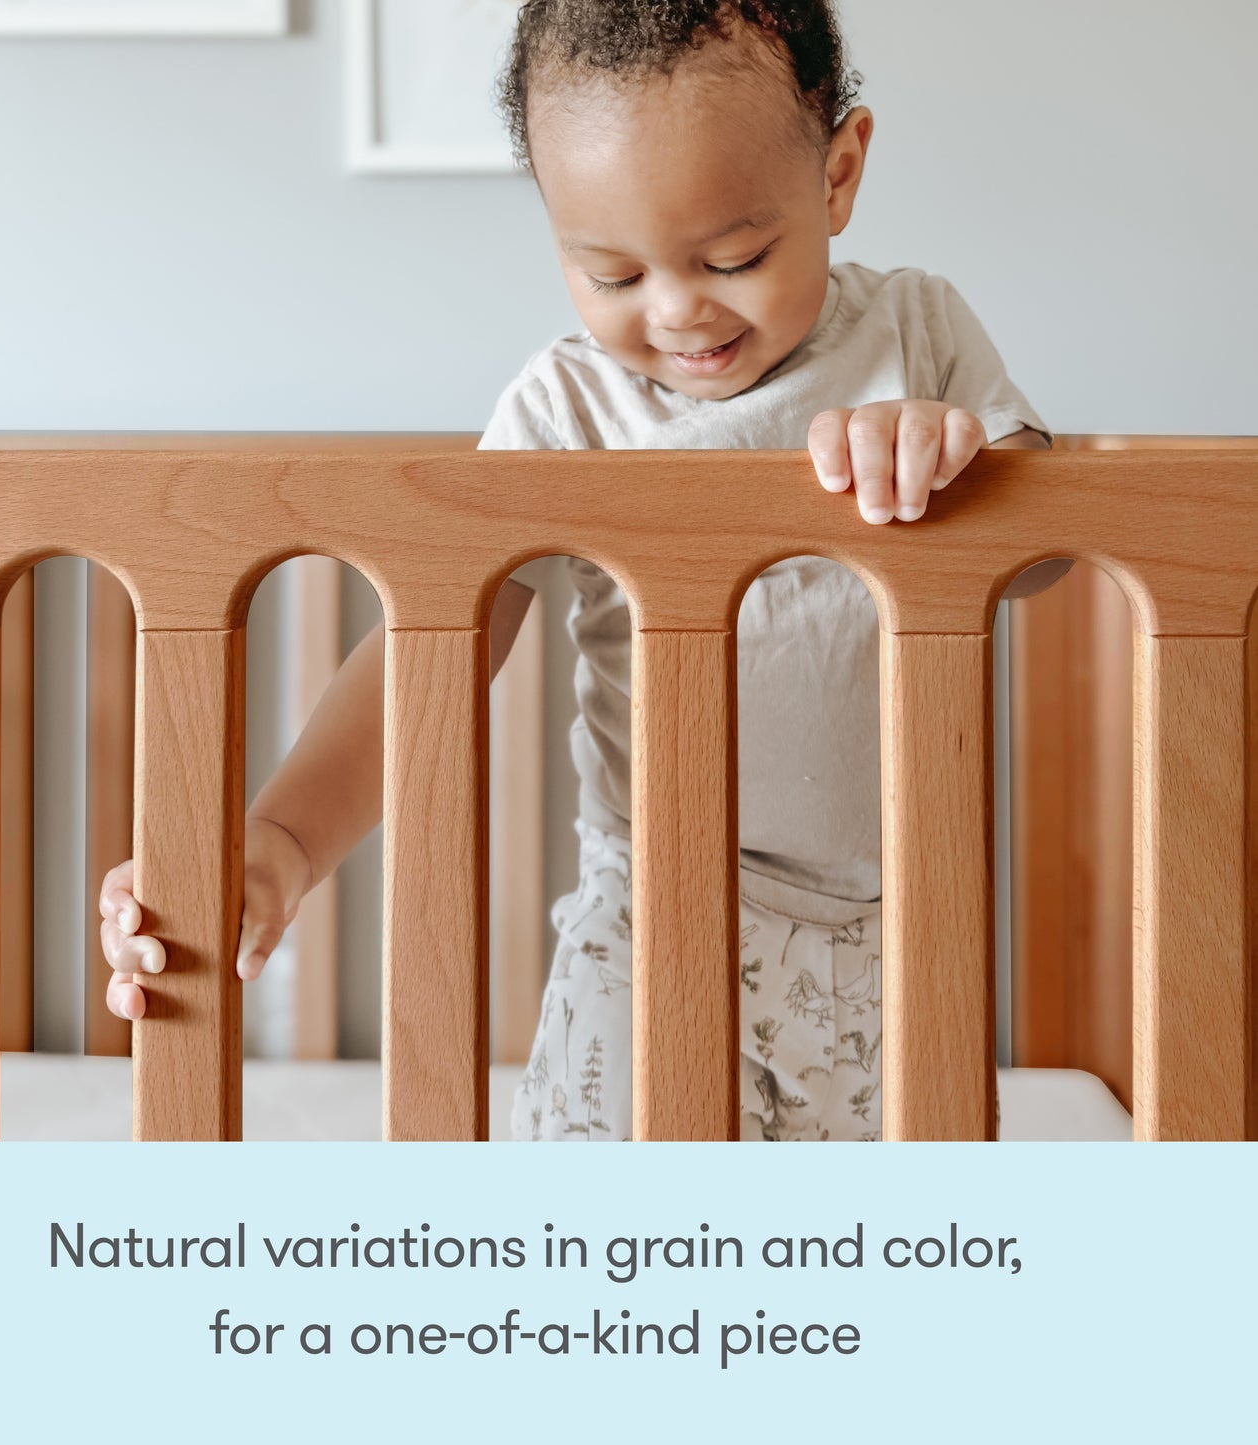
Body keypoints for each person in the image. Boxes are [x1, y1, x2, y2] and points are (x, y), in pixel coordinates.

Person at [98, 0, 1061, 1141]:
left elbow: (1047, 559)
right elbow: (435, 642)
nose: (676, 309)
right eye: (607, 274)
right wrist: (286, 839)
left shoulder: (917, 333)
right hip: (654, 909)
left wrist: (953, 458)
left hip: (901, 924)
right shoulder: (565, 410)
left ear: (839, 172)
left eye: (734, 256)